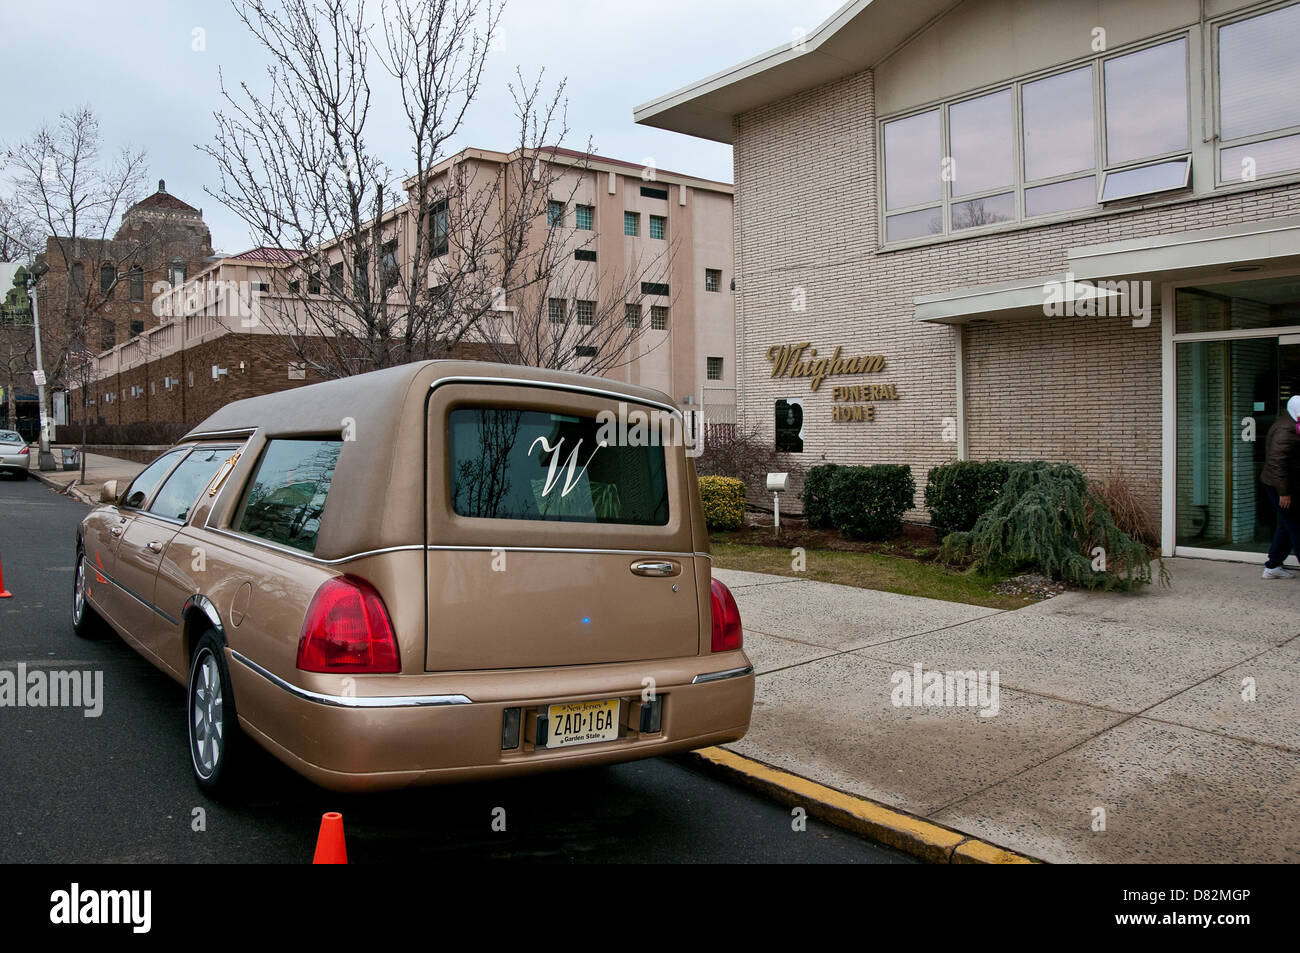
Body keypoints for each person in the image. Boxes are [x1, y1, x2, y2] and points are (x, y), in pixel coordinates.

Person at [1261, 393, 1300, 579]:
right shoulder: (1286, 430)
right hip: (1280, 487)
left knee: (1287, 525)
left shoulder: (1291, 423)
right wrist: (1284, 493)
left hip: (1286, 484)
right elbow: (1277, 464)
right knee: (1296, 526)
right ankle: (1272, 565)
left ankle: (1273, 566)